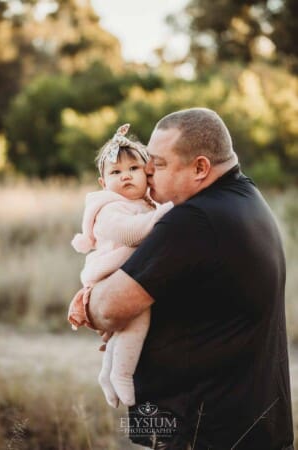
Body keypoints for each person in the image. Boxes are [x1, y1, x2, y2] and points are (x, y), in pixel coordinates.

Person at [74, 108, 294, 450]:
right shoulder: (246, 198)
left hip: (204, 431)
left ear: (201, 167)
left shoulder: (192, 221)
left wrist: (89, 302)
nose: (147, 172)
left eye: (158, 164)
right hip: (249, 425)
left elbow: (110, 309)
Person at [68, 123, 173, 409]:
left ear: (148, 173)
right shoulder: (109, 209)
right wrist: (166, 213)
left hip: (125, 274)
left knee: (123, 328)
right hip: (108, 276)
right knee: (137, 318)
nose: (125, 176)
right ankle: (122, 373)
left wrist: (157, 209)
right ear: (103, 183)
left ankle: (107, 373)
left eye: (134, 169)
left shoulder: (146, 204)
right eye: (115, 172)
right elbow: (132, 233)